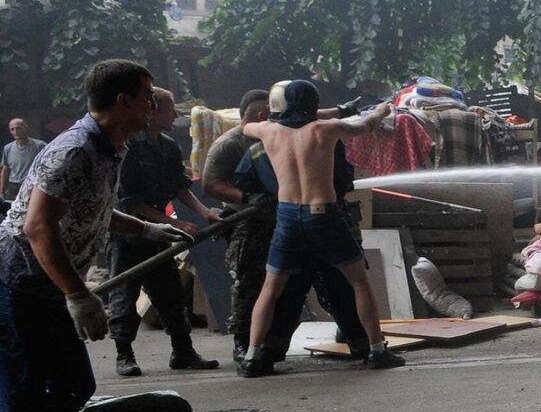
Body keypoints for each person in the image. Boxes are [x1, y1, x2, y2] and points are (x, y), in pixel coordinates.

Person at [0, 60, 195, 412]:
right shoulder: (75, 150)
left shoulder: (111, 147)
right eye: (148, 98)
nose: (154, 107)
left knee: (74, 385)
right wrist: (78, 295)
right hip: (21, 284)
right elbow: (38, 226)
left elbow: (91, 209)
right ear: (123, 102)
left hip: (53, 284)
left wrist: (146, 228)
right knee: (23, 390)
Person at [237, 80, 402, 376]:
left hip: (287, 216)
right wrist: (380, 110)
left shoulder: (266, 131)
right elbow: (366, 125)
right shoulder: (327, 130)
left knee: (270, 289)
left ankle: (251, 357)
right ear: (313, 106)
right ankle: (377, 350)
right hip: (323, 215)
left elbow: (245, 124)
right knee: (358, 282)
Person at [204, 85, 368, 365]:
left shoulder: (260, 141)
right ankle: (367, 346)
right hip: (319, 221)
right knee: (343, 283)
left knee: (282, 292)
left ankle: (262, 353)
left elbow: (244, 178)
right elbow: (342, 179)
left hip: (284, 227)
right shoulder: (324, 135)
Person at [104, 87, 222, 376]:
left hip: (159, 236)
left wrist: (206, 213)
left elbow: (180, 187)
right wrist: (175, 224)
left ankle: (183, 351)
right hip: (129, 234)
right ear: (152, 112)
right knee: (124, 295)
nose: (175, 116)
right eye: (170, 110)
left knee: (169, 294)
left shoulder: (168, 146)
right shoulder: (128, 146)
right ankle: (124, 355)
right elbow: (129, 202)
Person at [2, 119, 48, 201]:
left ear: (26, 128)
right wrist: (1, 192)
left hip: (31, 186)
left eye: (18, 128)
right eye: (12, 129)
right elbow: (5, 170)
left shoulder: (40, 146)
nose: (15, 131)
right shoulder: (7, 148)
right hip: (13, 187)